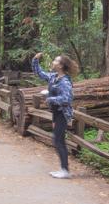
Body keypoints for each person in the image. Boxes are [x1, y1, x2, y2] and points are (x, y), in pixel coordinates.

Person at [32, 51, 78, 179]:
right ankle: (63, 169)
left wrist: (49, 98)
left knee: (58, 140)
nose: (53, 62)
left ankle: (65, 170)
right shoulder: (54, 77)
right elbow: (39, 73)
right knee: (58, 140)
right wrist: (35, 60)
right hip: (56, 113)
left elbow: (67, 99)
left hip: (63, 114)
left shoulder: (65, 82)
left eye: (56, 61)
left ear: (61, 66)